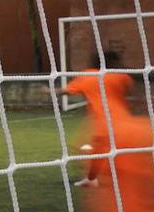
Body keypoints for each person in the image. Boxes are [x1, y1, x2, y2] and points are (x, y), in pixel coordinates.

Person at [53, 50, 133, 187]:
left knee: (98, 150)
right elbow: (130, 89)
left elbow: (64, 91)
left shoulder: (89, 76)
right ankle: (93, 178)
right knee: (107, 150)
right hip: (124, 120)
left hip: (105, 122)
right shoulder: (121, 76)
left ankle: (96, 178)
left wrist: (49, 91)